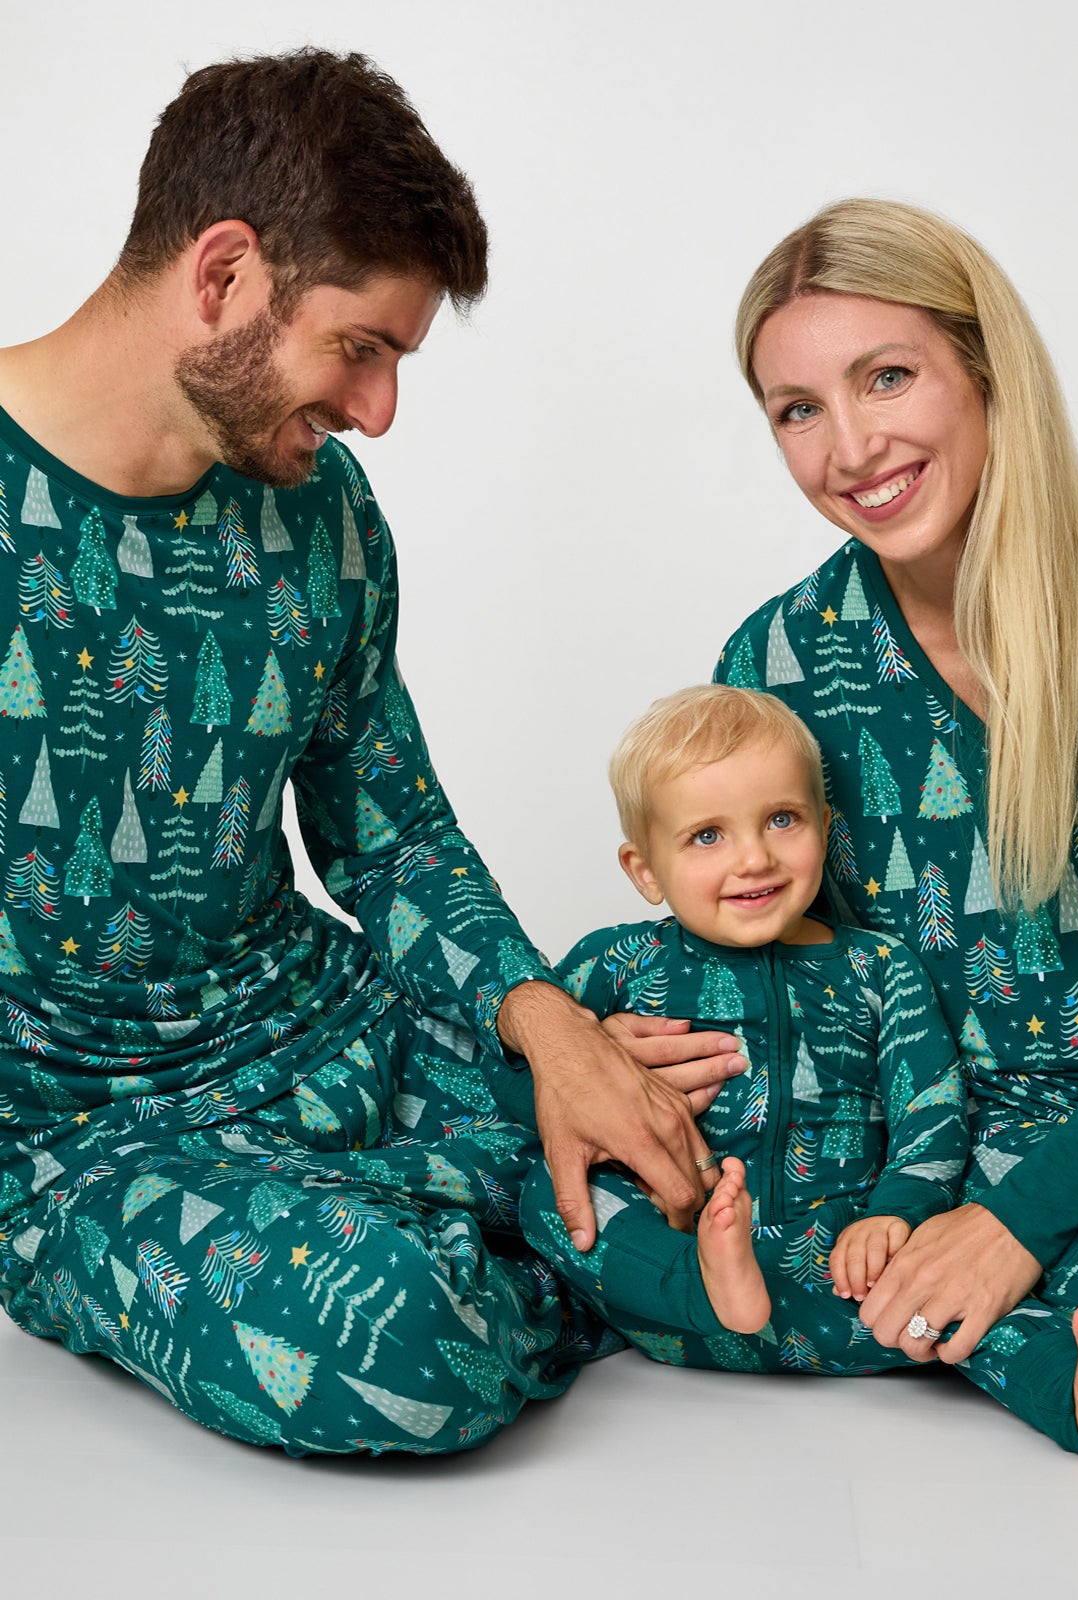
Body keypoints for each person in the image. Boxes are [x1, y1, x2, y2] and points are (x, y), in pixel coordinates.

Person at [0, 47, 740, 1456]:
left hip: (327, 1028)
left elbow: (388, 834)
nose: (381, 411)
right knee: (400, 1346)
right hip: (83, 1139)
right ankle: (577, 1264)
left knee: (719, 1100)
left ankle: (552, 1226)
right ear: (221, 275)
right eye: (361, 348)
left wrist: (546, 1031)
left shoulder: (323, 516)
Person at [712, 197, 1078, 1482]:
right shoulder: (776, 669)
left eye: (887, 376)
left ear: (982, 369)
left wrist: (1019, 1223)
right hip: (991, 1150)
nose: (849, 446)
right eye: (796, 410)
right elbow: (798, 982)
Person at [514, 682, 1078, 1464]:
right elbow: (525, 1083)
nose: (754, 856)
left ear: (825, 826)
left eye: (781, 819)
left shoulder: (877, 967)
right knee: (548, 1197)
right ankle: (706, 1284)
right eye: (707, 836)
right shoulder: (613, 966)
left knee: (952, 1303)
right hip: (667, 1275)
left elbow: (930, 1107)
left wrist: (894, 1213)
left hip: (838, 1262)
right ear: (644, 869)